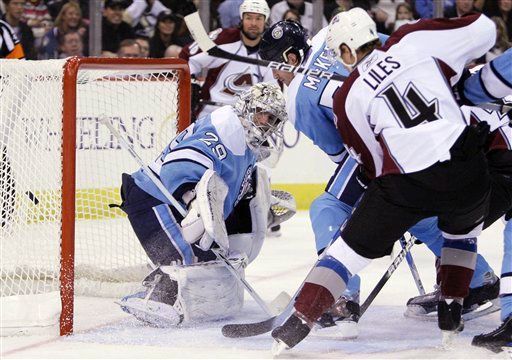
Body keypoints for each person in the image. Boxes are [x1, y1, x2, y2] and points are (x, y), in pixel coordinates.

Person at [270, 8, 496, 353]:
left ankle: (333, 304)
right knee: (442, 222)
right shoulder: (399, 41)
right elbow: (475, 34)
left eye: (274, 66)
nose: (275, 74)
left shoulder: (306, 96)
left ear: (289, 58)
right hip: (464, 154)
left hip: (400, 163)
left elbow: (352, 156)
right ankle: (472, 287)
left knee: (329, 208)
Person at [117, 83, 291, 326]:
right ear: (247, 107)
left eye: (272, 118)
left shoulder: (245, 139)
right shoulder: (226, 130)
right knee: (187, 265)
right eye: (262, 112)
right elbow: (177, 166)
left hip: (171, 201)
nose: (266, 121)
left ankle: (169, 288)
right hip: (152, 197)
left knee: (213, 265)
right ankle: (153, 295)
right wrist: (193, 204)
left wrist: (264, 209)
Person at [455, 49, 512, 353]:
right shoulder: (478, 77)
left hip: (503, 172)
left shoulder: (466, 86)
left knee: (452, 225)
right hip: (501, 169)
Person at [179, 0, 276, 120]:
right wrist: (191, 81)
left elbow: (273, 92)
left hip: (247, 120)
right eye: (248, 18)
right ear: (241, 19)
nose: (253, 23)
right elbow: (188, 57)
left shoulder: (270, 53)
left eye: (259, 18)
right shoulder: (223, 39)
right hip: (211, 114)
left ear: (265, 21)